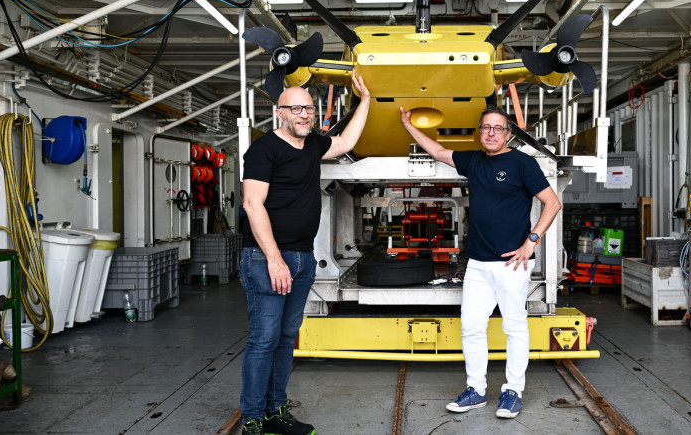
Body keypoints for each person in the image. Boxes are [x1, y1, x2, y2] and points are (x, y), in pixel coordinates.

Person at [399, 105, 561, 419]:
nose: (490, 133)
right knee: (472, 327)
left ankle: (512, 392)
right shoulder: (473, 161)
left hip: (511, 263)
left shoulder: (522, 163)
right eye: (486, 127)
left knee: (515, 327)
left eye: (497, 128)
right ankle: (476, 389)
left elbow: (552, 203)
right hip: (477, 263)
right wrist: (408, 125)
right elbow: (437, 151)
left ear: (508, 134)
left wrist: (532, 241)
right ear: (480, 130)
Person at [240, 71, 370, 435]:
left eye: (308, 109)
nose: (304, 115)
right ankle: (252, 418)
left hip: (302, 258)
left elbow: (344, 142)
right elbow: (253, 204)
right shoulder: (264, 149)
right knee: (263, 339)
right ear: (279, 113)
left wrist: (367, 100)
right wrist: (274, 259)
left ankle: (275, 411)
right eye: (295, 109)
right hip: (267, 259)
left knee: (284, 338)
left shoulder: (312, 144)